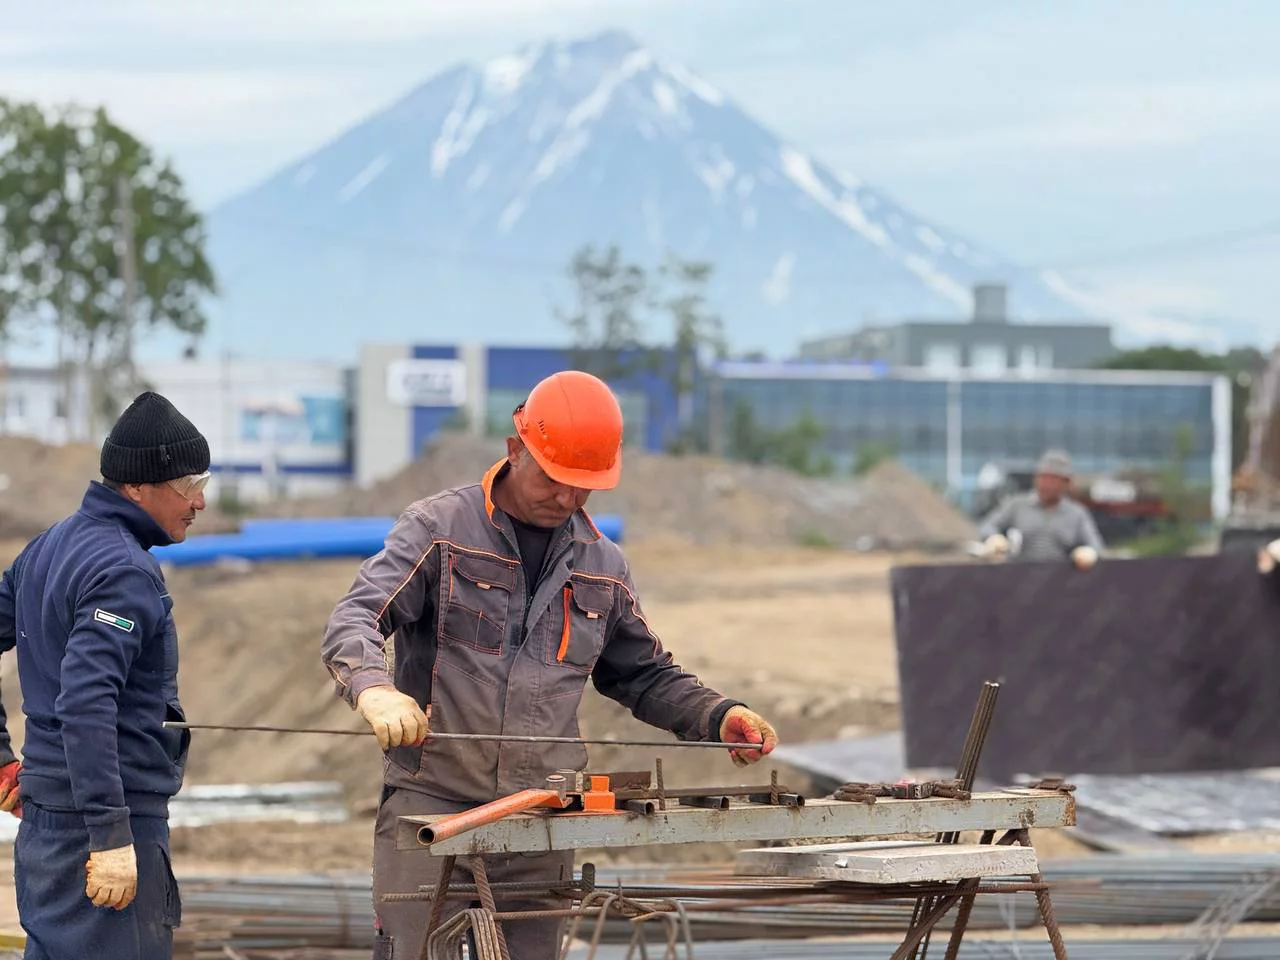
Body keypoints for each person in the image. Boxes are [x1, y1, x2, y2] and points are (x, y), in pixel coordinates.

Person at [321, 369, 779, 959]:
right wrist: (373, 689)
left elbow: (643, 673)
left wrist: (718, 715)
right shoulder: (439, 532)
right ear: (516, 449)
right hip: (430, 811)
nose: (566, 499)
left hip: (540, 824)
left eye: (583, 487)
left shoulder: (602, 565)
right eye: (555, 479)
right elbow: (355, 617)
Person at [0, 391, 210, 959]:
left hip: (48, 826)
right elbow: (86, 704)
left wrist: (3, 760)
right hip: (102, 828)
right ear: (140, 487)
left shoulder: (46, 547)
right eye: (190, 486)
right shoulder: (124, 570)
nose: (200, 502)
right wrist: (113, 837)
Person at [977, 449, 1104, 570]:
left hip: (1060, 581)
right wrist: (993, 538)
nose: (1045, 485)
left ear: (1066, 484)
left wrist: (1088, 553)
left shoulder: (1077, 514)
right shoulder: (1017, 505)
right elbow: (987, 526)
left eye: (1052, 480)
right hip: (1017, 578)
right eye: (1042, 478)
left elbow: (1096, 546)